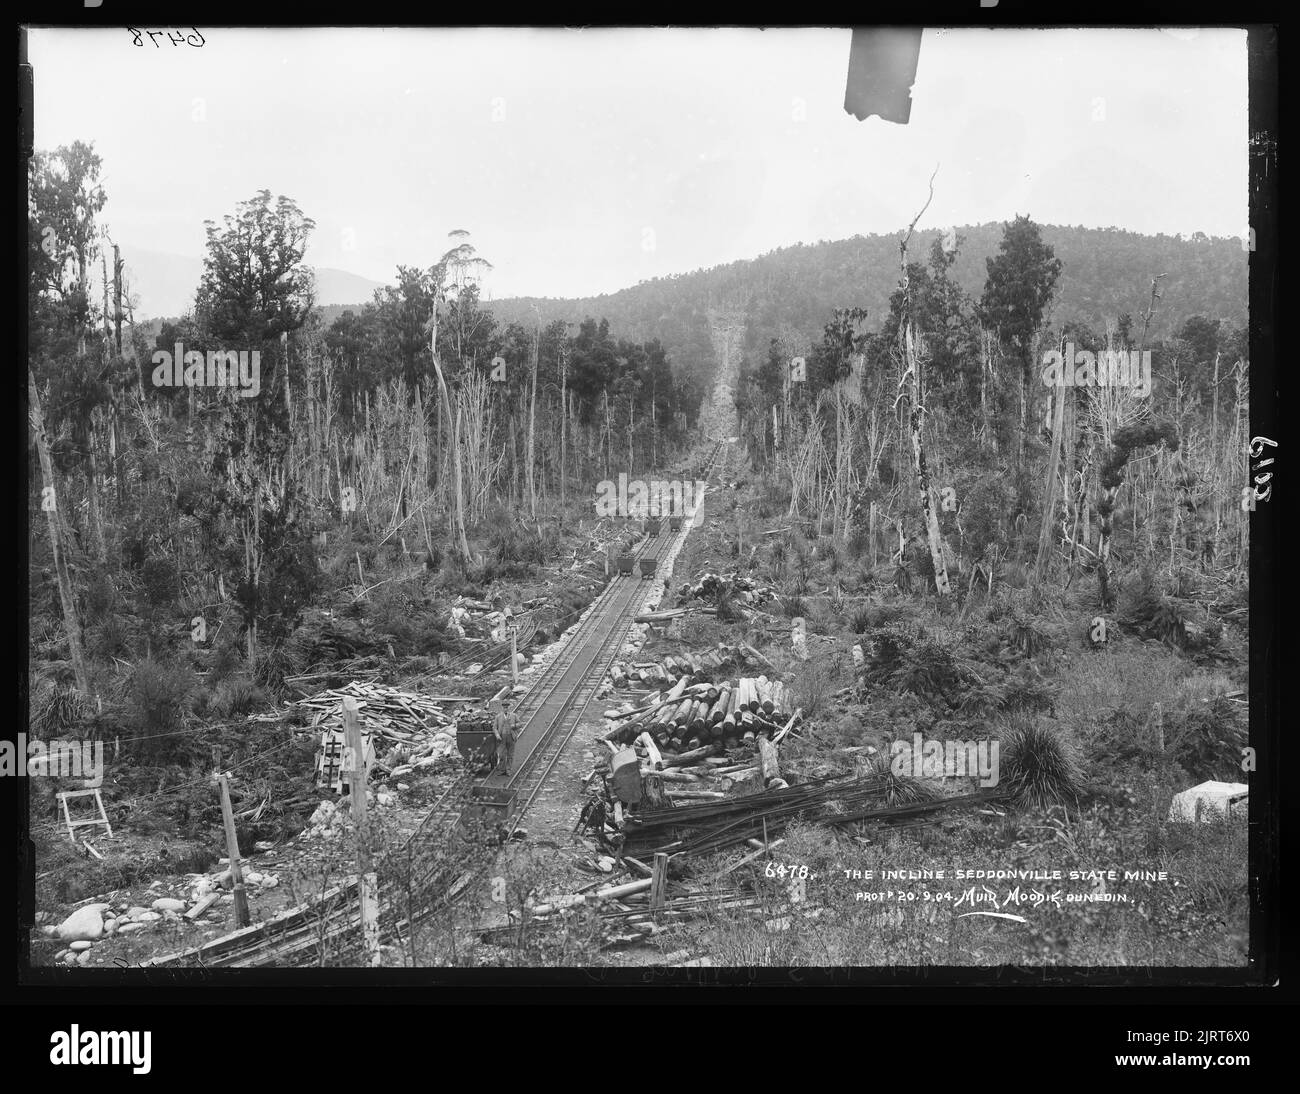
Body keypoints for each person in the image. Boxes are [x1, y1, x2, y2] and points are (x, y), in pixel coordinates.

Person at [493, 700, 520, 777]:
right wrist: (497, 735)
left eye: (507, 707)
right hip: (501, 738)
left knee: (510, 755)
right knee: (501, 755)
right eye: (504, 708)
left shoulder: (514, 715)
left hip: (511, 737)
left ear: (509, 708)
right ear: (502, 708)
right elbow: (494, 728)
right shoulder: (498, 717)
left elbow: (520, 723)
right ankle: (502, 770)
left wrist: (514, 725)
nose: (506, 709)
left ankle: (508, 770)